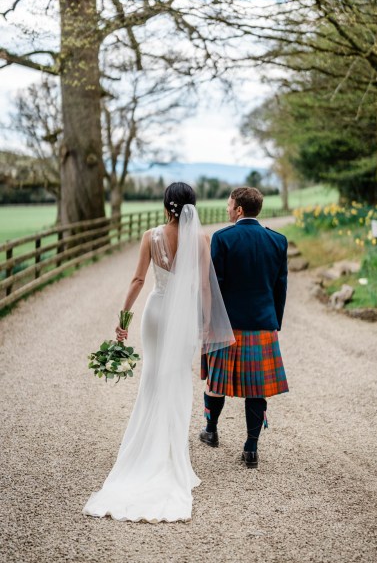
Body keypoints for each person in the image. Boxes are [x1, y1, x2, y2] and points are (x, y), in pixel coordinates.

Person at [83, 182, 234, 523]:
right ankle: (171, 454)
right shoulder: (200, 239)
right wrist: (205, 323)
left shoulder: (151, 236)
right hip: (183, 320)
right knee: (178, 379)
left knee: (152, 377)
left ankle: (144, 451)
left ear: (167, 205)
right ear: (192, 207)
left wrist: (122, 318)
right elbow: (207, 286)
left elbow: (138, 280)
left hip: (155, 311)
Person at [200, 186, 289, 468]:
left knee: (216, 382)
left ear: (238, 209)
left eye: (229, 205)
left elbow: (214, 286)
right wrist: (274, 320)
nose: (227, 209)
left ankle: (211, 431)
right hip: (263, 325)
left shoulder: (223, 238)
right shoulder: (278, 240)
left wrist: (208, 322)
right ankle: (251, 448)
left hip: (227, 325)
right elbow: (280, 286)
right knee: (257, 388)